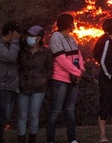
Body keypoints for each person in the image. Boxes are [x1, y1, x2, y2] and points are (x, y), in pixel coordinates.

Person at [47, 13, 85, 143]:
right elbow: (60, 59)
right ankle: (51, 139)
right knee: (56, 110)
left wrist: (81, 70)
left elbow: (78, 55)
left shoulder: (71, 38)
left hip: (73, 79)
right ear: (69, 23)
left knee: (70, 109)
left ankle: (72, 138)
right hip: (60, 79)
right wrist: (76, 72)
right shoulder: (55, 37)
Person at [16, 25, 52, 143]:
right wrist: (19, 80)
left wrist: (43, 80)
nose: (30, 38)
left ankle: (32, 139)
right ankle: (21, 139)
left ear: (39, 38)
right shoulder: (22, 51)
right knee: (22, 115)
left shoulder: (46, 52)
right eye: (29, 35)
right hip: (23, 86)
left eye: (33, 36)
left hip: (38, 88)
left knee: (33, 115)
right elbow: (17, 66)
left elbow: (49, 69)